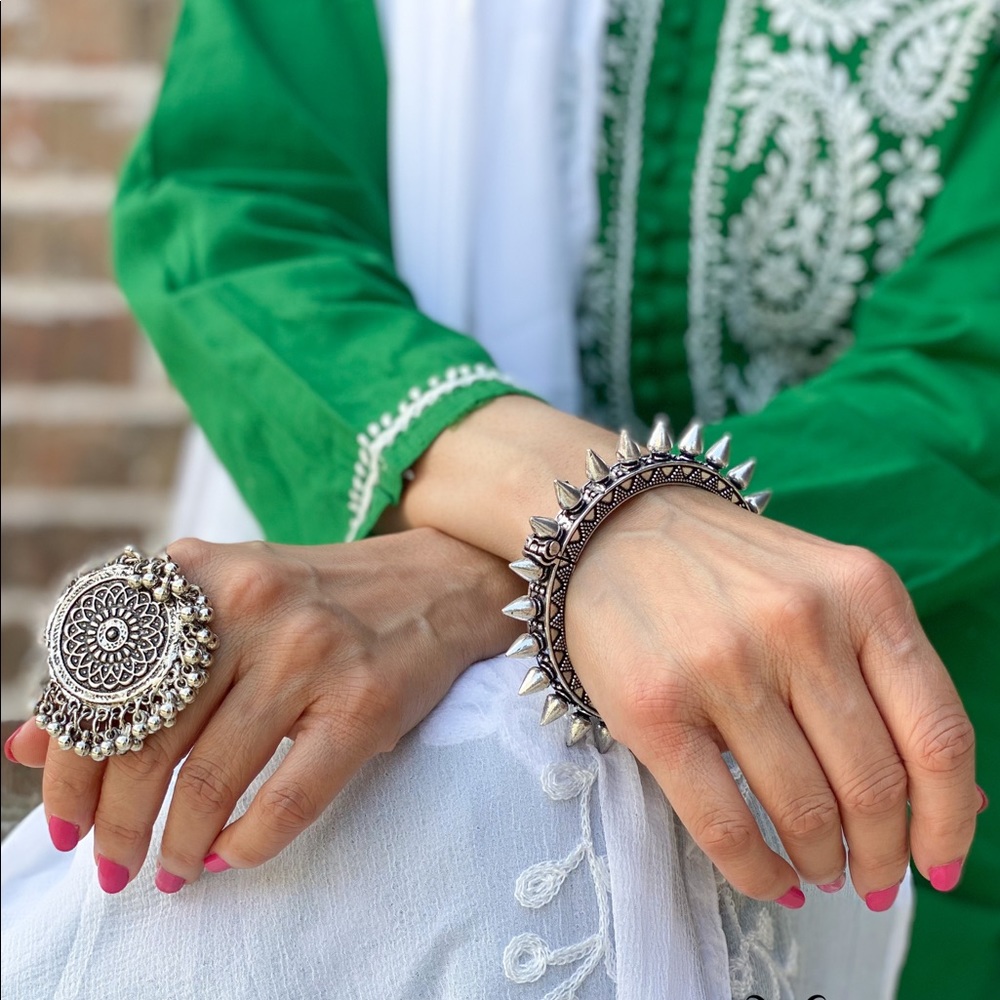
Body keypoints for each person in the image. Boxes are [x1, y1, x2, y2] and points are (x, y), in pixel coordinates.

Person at [3, 0, 997, 997]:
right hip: (377, 692)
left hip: (889, 718)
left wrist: (483, 570)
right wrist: (581, 525)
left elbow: (968, 373)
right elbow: (234, 208)